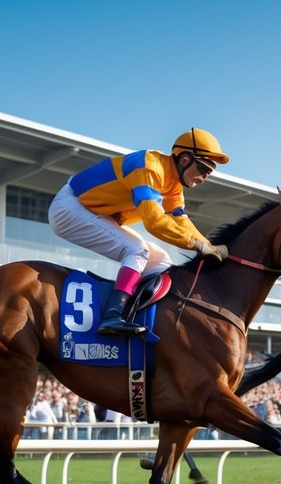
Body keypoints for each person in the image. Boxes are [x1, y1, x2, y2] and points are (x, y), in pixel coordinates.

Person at [48, 127, 231, 335]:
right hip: (70, 207)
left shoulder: (173, 185)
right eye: (202, 169)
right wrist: (195, 245)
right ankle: (111, 316)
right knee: (137, 250)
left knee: (160, 261)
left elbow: (181, 220)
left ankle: (137, 315)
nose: (204, 177)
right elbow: (154, 222)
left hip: (95, 212)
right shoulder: (149, 167)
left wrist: (209, 246)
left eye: (209, 172)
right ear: (185, 160)